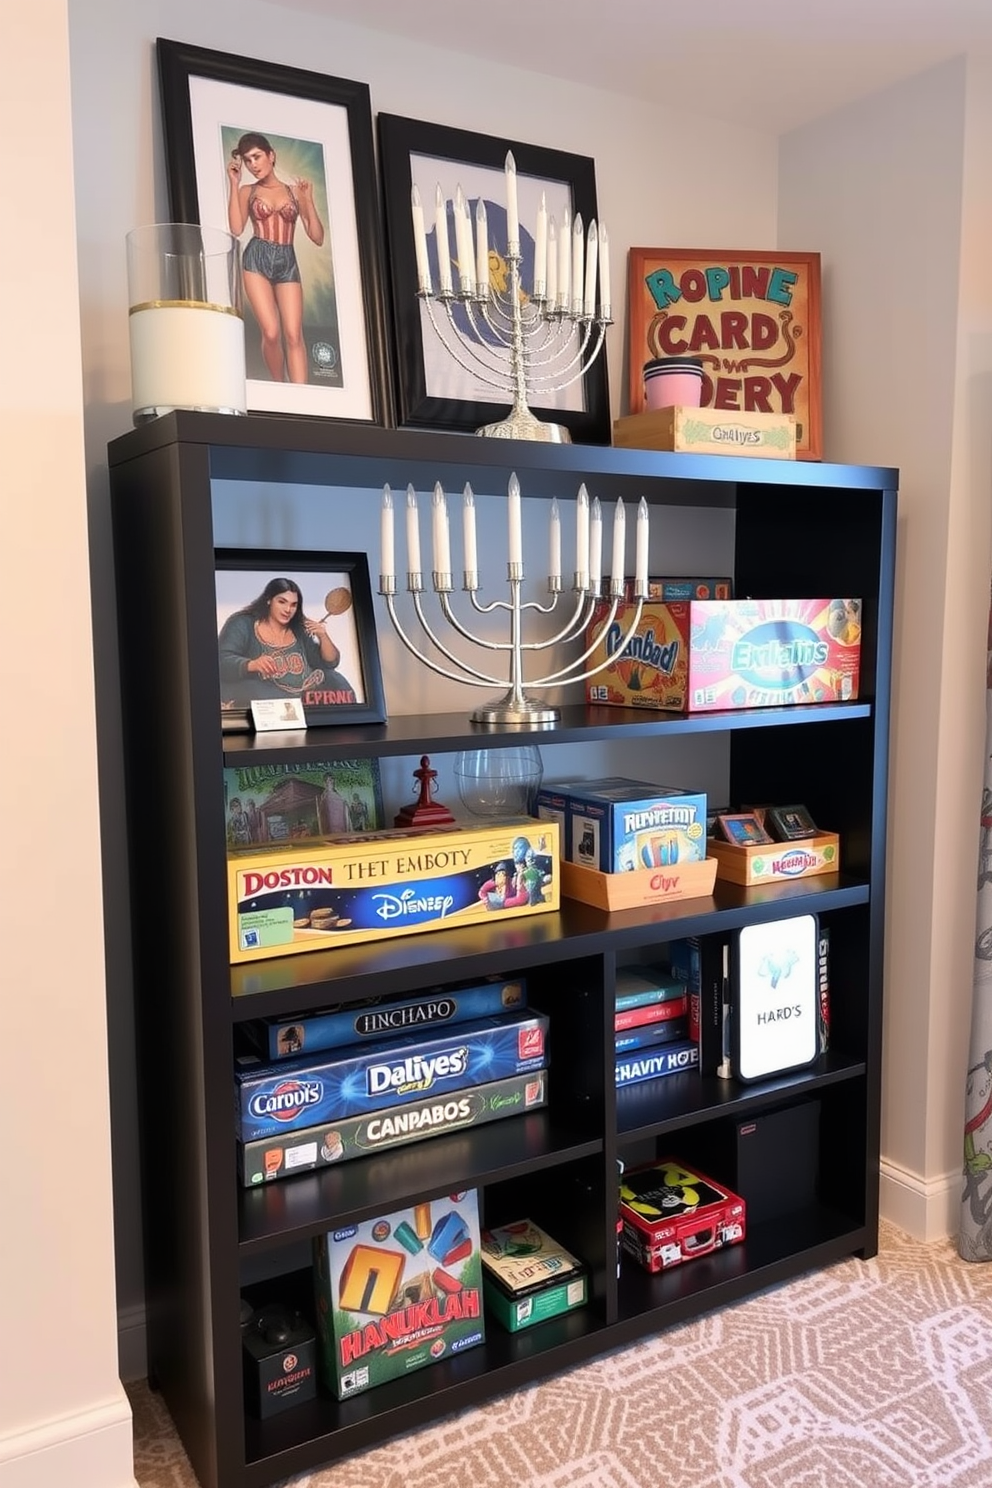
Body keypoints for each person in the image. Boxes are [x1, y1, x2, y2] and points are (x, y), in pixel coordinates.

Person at [227, 132, 325, 384]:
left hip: (286, 260)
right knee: (271, 332)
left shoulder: (295, 192)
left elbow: (317, 237)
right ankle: (279, 388)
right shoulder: (247, 191)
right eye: (248, 160)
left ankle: (301, 398)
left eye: (257, 157)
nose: (253, 165)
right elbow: (236, 229)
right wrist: (233, 184)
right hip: (256, 258)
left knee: (293, 334)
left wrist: (308, 200)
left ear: (272, 155)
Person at [218, 577, 354, 707]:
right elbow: (221, 661)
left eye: (293, 605)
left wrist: (323, 636)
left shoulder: (298, 628)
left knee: (336, 680)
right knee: (257, 689)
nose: (288, 610)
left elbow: (329, 664)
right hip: (265, 696)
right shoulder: (242, 623)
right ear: (269, 600)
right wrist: (252, 664)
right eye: (282, 602)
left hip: (304, 697)